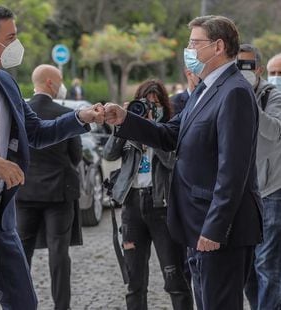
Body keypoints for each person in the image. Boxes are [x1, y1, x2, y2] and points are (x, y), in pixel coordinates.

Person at [104, 15, 263, 310]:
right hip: (196, 224)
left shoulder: (235, 92)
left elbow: (233, 170)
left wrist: (215, 229)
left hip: (218, 231)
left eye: (194, 43)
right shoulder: (205, 89)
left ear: (218, 46)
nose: (188, 50)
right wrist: (126, 119)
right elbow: (170, 134)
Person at [0, 4, 104, 309]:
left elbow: (37, 132)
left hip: (3, 214)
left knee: (23, 301)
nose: (17, 45)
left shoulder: (7, 83)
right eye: (11, 37)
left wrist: (81, 117)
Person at [103, 80, 193, 310]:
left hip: (162, 205)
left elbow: (172, 161)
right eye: (145, 103)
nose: (150, 108)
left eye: (156, 104)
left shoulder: (171, 130)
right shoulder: (129, 126)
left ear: (164, 105)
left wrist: (153, 131)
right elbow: (109, 154)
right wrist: (124, 124)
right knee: (134, 282)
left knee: (175, 278)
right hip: (132, 205)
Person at [15, 64, 82, 310]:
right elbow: (76, 156)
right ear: (51, 83)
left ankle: (20, 304)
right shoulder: (65, 114)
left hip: (24, 192)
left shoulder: (20, 112)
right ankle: (61, 306)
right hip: (59, 193)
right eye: (60, 80)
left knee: (21, 253)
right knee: (59, 252)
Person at [237, 44, 281, 310]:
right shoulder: (227, 93)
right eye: (237, 66)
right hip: (241, 192)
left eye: (247, 66)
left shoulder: (270, 94)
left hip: (271, 189)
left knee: (267, 263)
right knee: (247, 267)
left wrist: (248, 99)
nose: (242, 72)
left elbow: (273, 131)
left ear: (258, 69)